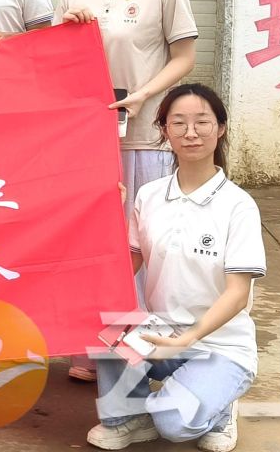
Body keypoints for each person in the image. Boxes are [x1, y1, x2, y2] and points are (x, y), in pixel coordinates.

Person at [59, 0, 199, 381]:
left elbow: (184, 57)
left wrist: (143, 95)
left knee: (145, 244)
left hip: (145, 136)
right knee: (96, 243)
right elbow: (58, 65)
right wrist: (68, 29)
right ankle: (91, 346)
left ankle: (142, 351)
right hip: (92, 141)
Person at [86, 83, 262, 452]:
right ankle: (128, 418)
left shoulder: (238, 206)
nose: (190, 132)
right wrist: (105, 215)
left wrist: (189, 337)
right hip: (160, 331)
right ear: (165, 130)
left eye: (202, 122)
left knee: (174, 424)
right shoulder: (149, 195)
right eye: (178, 123)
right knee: (106, 323)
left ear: (221, 128)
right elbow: (126, 266)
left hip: (219, 344)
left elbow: (237, 293)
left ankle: (221, 408)